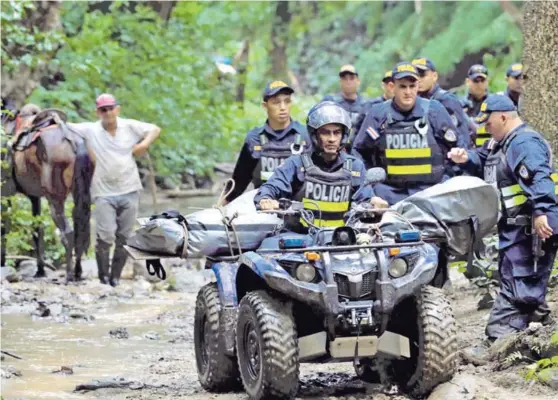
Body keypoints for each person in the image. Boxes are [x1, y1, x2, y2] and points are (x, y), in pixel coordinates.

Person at [448, 94, 557, 340]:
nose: (485, 128)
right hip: (516, 229)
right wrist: (467, 159)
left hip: (532, 230)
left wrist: (541, 212)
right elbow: (489, 162)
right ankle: (538, 320)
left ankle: (499, 338)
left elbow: (540, 180)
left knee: (518, 285)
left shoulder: (524, 143)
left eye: (488, 123)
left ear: (504, 117)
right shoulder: (504, 143)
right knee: (516, 278)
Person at [69, 94, 161, 286]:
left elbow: (154, 129)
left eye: (111, 108)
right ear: (98, 112)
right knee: (105, 235)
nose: (108, 113)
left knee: (125, 237)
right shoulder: (91, 130)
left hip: (129, 188)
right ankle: (103, 277)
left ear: (117, 109)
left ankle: (115, 278)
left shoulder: (129, 126)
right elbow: (65, 126)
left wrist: (143, 145)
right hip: (103, 192)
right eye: (103, 109)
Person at [351, 62, 461, 206]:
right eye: (402, 86)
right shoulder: (377, 114)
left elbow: (457, 148)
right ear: (392, 87)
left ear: (418, 86)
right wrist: (370, 190)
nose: (408, 92)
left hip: (432, 195)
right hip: (388, 196)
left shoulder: (435, 111)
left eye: (412, 86)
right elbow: (358, 152)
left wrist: (447, 181)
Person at [254, 101, 366, 230]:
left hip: (341, 239)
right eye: (325, 132)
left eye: (337, 133)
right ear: (314, 135)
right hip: (299, 237)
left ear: (343, 135)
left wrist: (375, 204)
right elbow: (270, 187)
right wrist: (265, 199)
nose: (332, 139)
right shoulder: (296, 163)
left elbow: (366, 200)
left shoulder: (355, 166)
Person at [224, 81, 309, 204]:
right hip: (263, 208)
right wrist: (218, 209)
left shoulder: (306, 136)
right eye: (276, 102)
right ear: (265, 106)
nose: (283, 107)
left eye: (287, 101)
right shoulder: (254, 139)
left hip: (297, 209)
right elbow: (239, 183)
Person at [413, 57, 470, 152]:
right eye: (414, 76)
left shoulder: (446, 100)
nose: (418, 80)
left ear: (434, 76)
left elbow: (461, 137)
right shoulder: (413, 102)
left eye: (422, 75)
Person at [322, 64, 369, 151]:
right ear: (340, 81)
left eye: (351, 78)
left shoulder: (367, 105)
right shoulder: (330, 102)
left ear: (358, 81)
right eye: (344, 78)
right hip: (334, 149)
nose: (348, 82)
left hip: (360, 150)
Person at [353, 70, 394, 135]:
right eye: (388, 84)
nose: (391, 87)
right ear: (383, 85)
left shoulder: (404, 108)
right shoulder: (371, 106)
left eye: (394, 84)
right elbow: (358, 129)